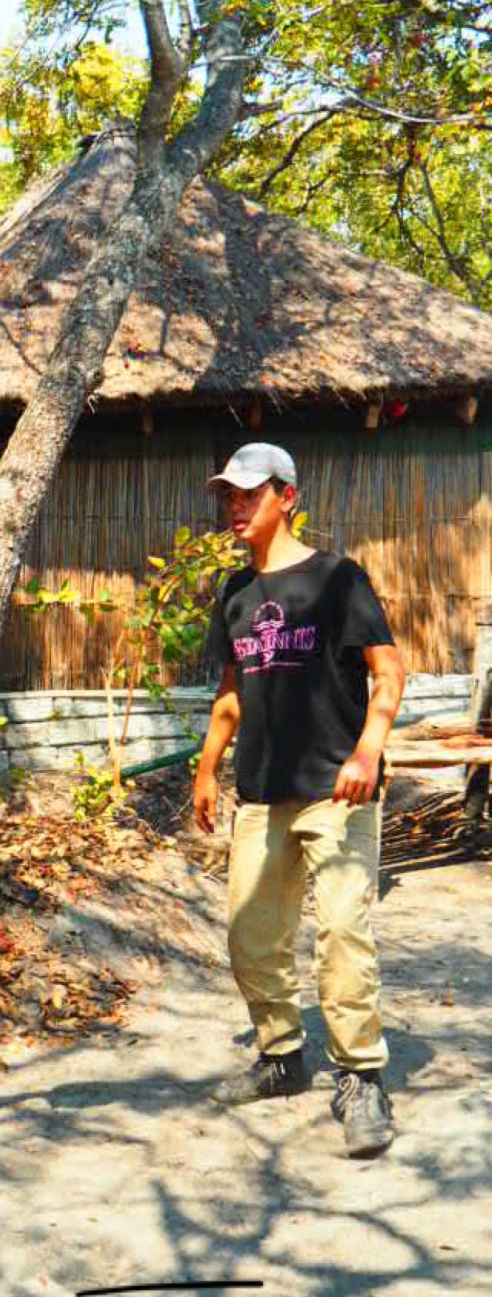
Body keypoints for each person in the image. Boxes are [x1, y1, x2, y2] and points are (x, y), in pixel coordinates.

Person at [193, 442, 406, 1158]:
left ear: (286, 495)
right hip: (261, 791)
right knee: (250, 934)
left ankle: (362, 1074)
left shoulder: (337, 578)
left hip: (337, 789)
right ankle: (282, 1054)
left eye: (249, 493)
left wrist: (369, 748)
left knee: (343, 930)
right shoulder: (234, 594)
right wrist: (205, 769)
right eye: (227, 494)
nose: (234, 506)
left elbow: (389, 670)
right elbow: (231, 693)